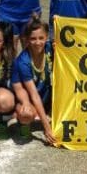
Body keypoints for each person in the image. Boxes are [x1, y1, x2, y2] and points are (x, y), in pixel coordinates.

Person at [10, 15, 57, 144]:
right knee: (26, 114)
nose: (38, 42)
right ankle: (23, 124)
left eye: (41, 38)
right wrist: (47, 129)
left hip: (45, 95)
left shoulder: (50, 48)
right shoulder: (23, 61)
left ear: (47, 36)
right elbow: (33, 95)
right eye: (33, 39)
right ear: (27, 40)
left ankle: (50, 114)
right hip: (29, 98)